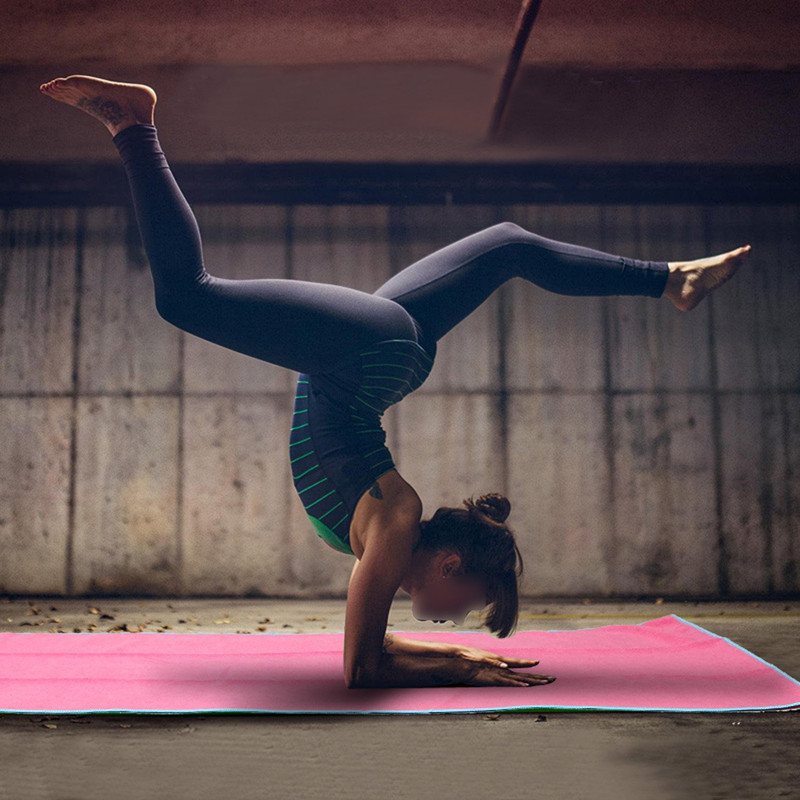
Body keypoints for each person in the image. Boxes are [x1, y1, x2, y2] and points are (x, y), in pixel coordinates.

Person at [39, 74, 752, 690]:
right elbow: (363, 669)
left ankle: (672, 280)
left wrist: (453, 655)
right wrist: (458, 663)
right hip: (366, 355)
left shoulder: (393, 533)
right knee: (185, 296)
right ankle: (136, 124)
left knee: (507, 243)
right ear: (448, 562)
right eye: (467, 601)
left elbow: (365, 655)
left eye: (464, 618)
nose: (454, 616)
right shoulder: (395, 526)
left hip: (384, 357)